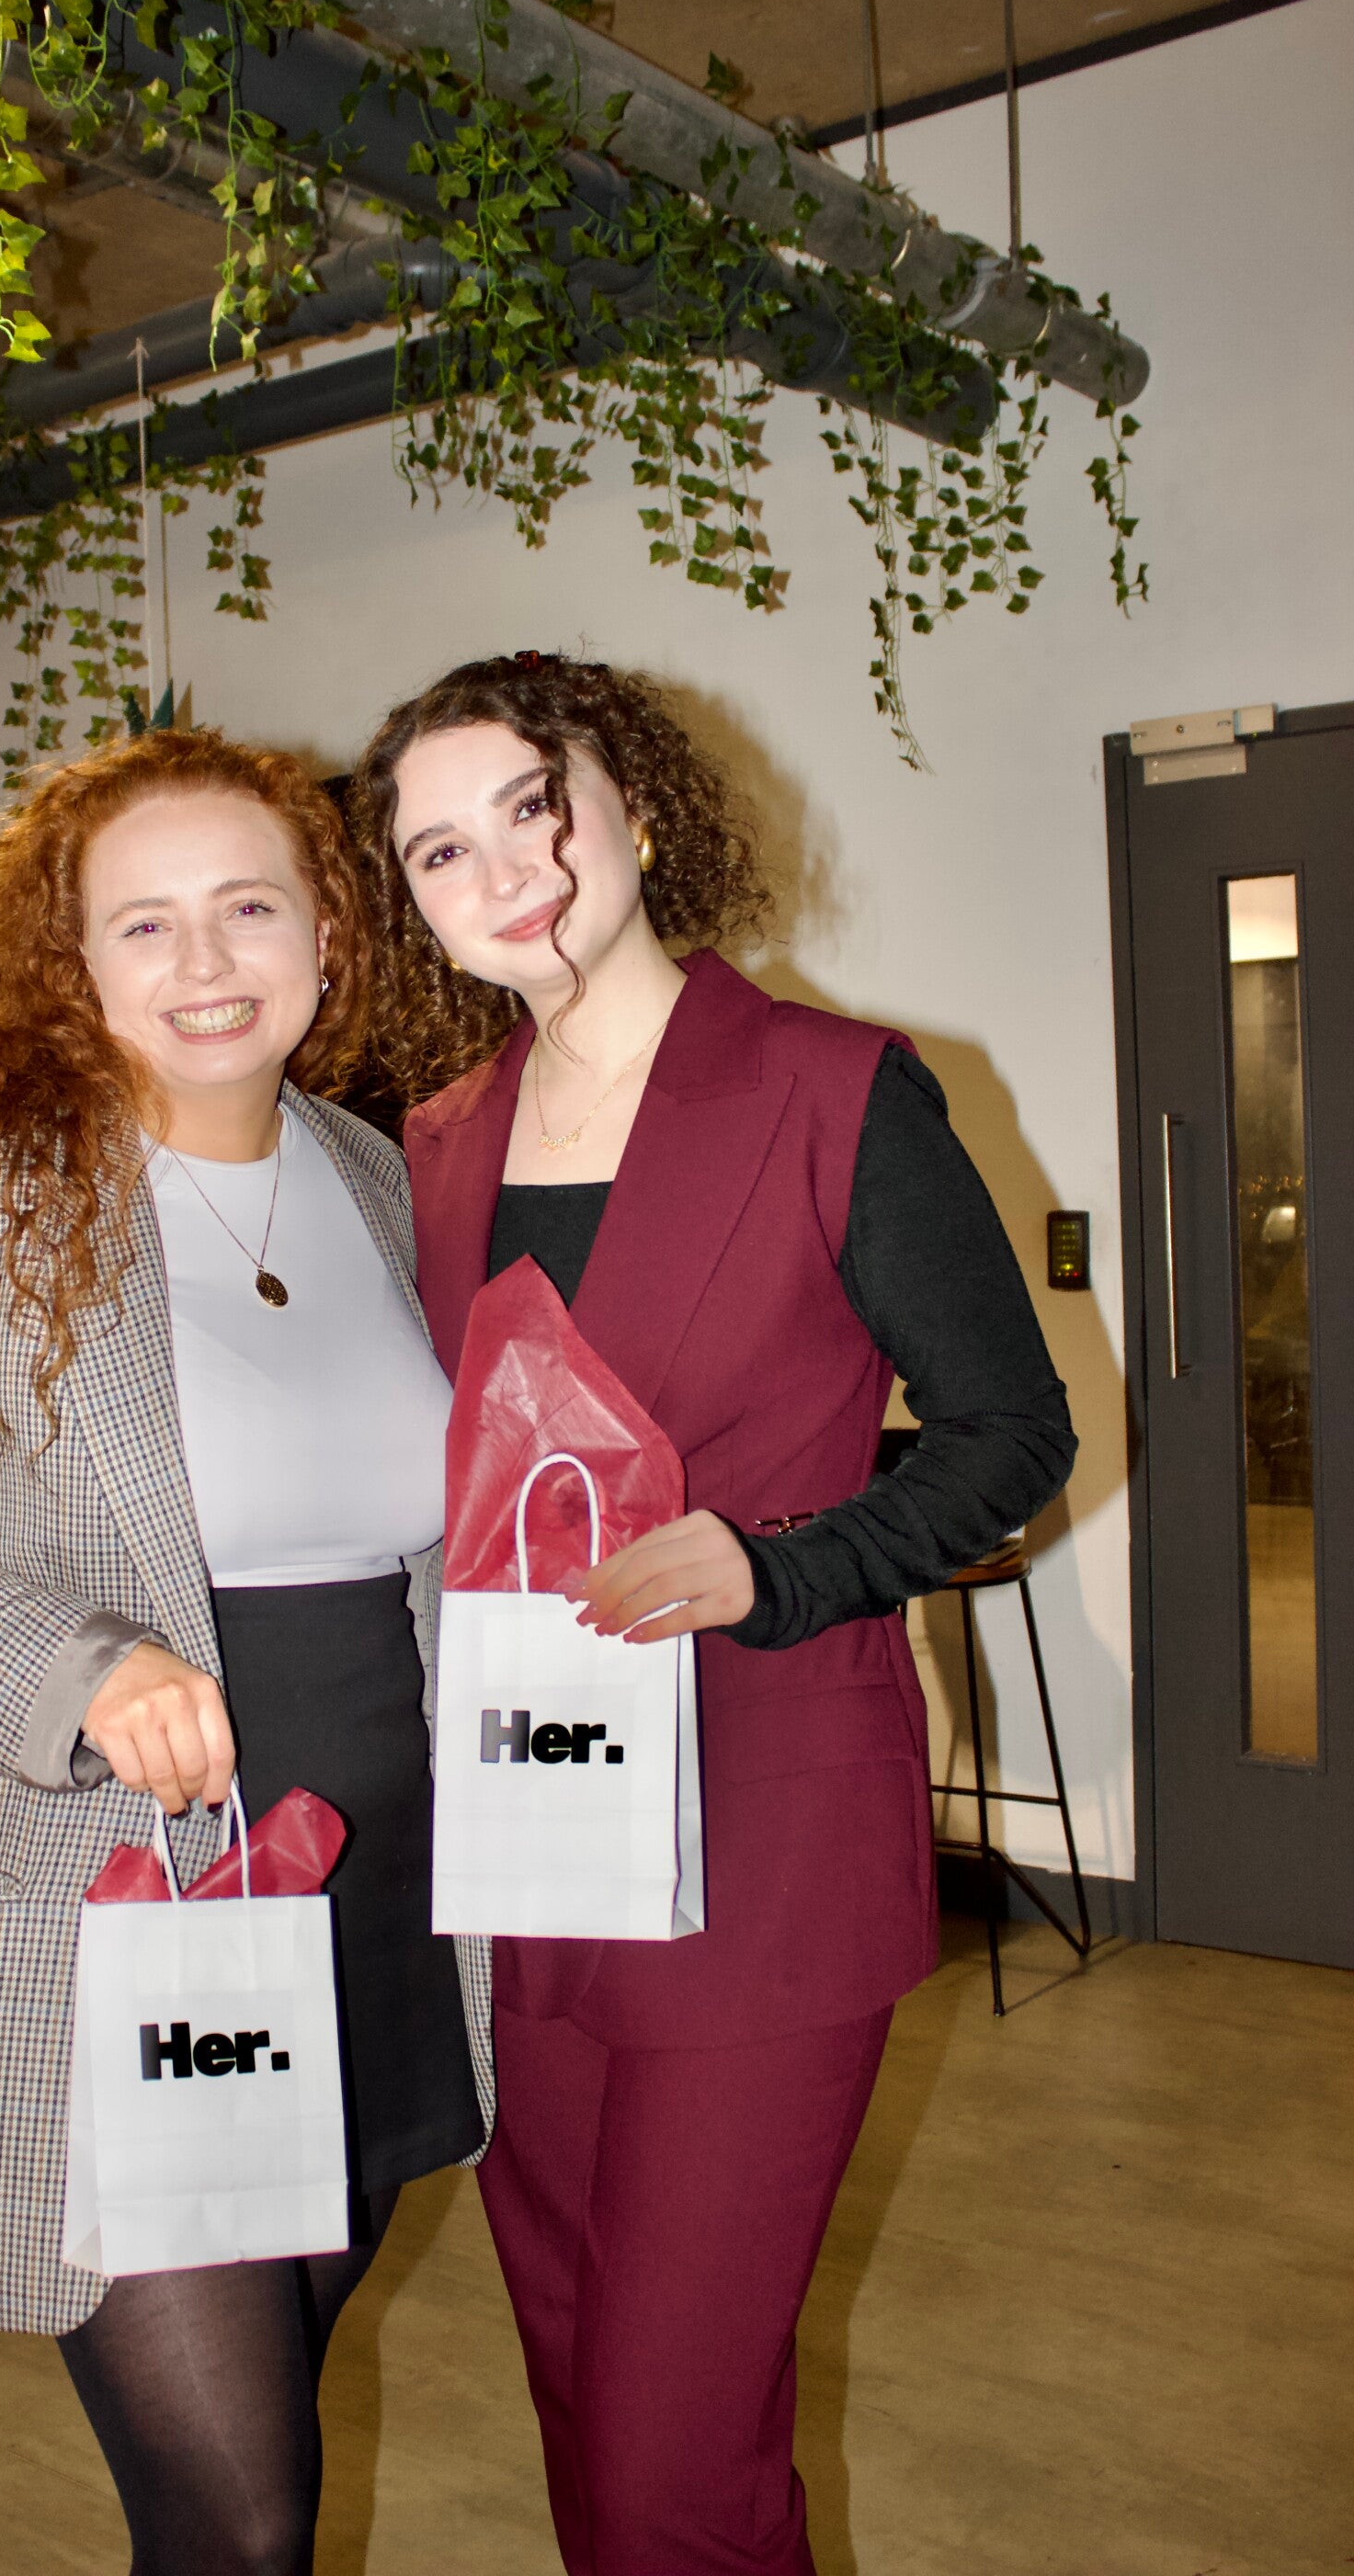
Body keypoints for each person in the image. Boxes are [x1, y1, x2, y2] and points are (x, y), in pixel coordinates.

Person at [350, 652, 1076, 2576]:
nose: (504, 869)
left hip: (759, 1838)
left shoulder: (837, 1091)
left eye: (534, 804)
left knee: (675, 2446)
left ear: (639, 807)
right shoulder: (438, 1146)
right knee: (579, 2395)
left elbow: (1016, 1432)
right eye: (440, 850)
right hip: (522, 1844)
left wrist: (783, 1567)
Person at [0, 728, 483, 2576]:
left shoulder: (375, 1180)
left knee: (259, 2449)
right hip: (114, 1905)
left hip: (371, 1889)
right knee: (240, 2516)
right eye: (144, 922)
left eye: (251, 907)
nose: (206, 961)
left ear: (329, 932)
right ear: (69, 964)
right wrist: (79, 1668)